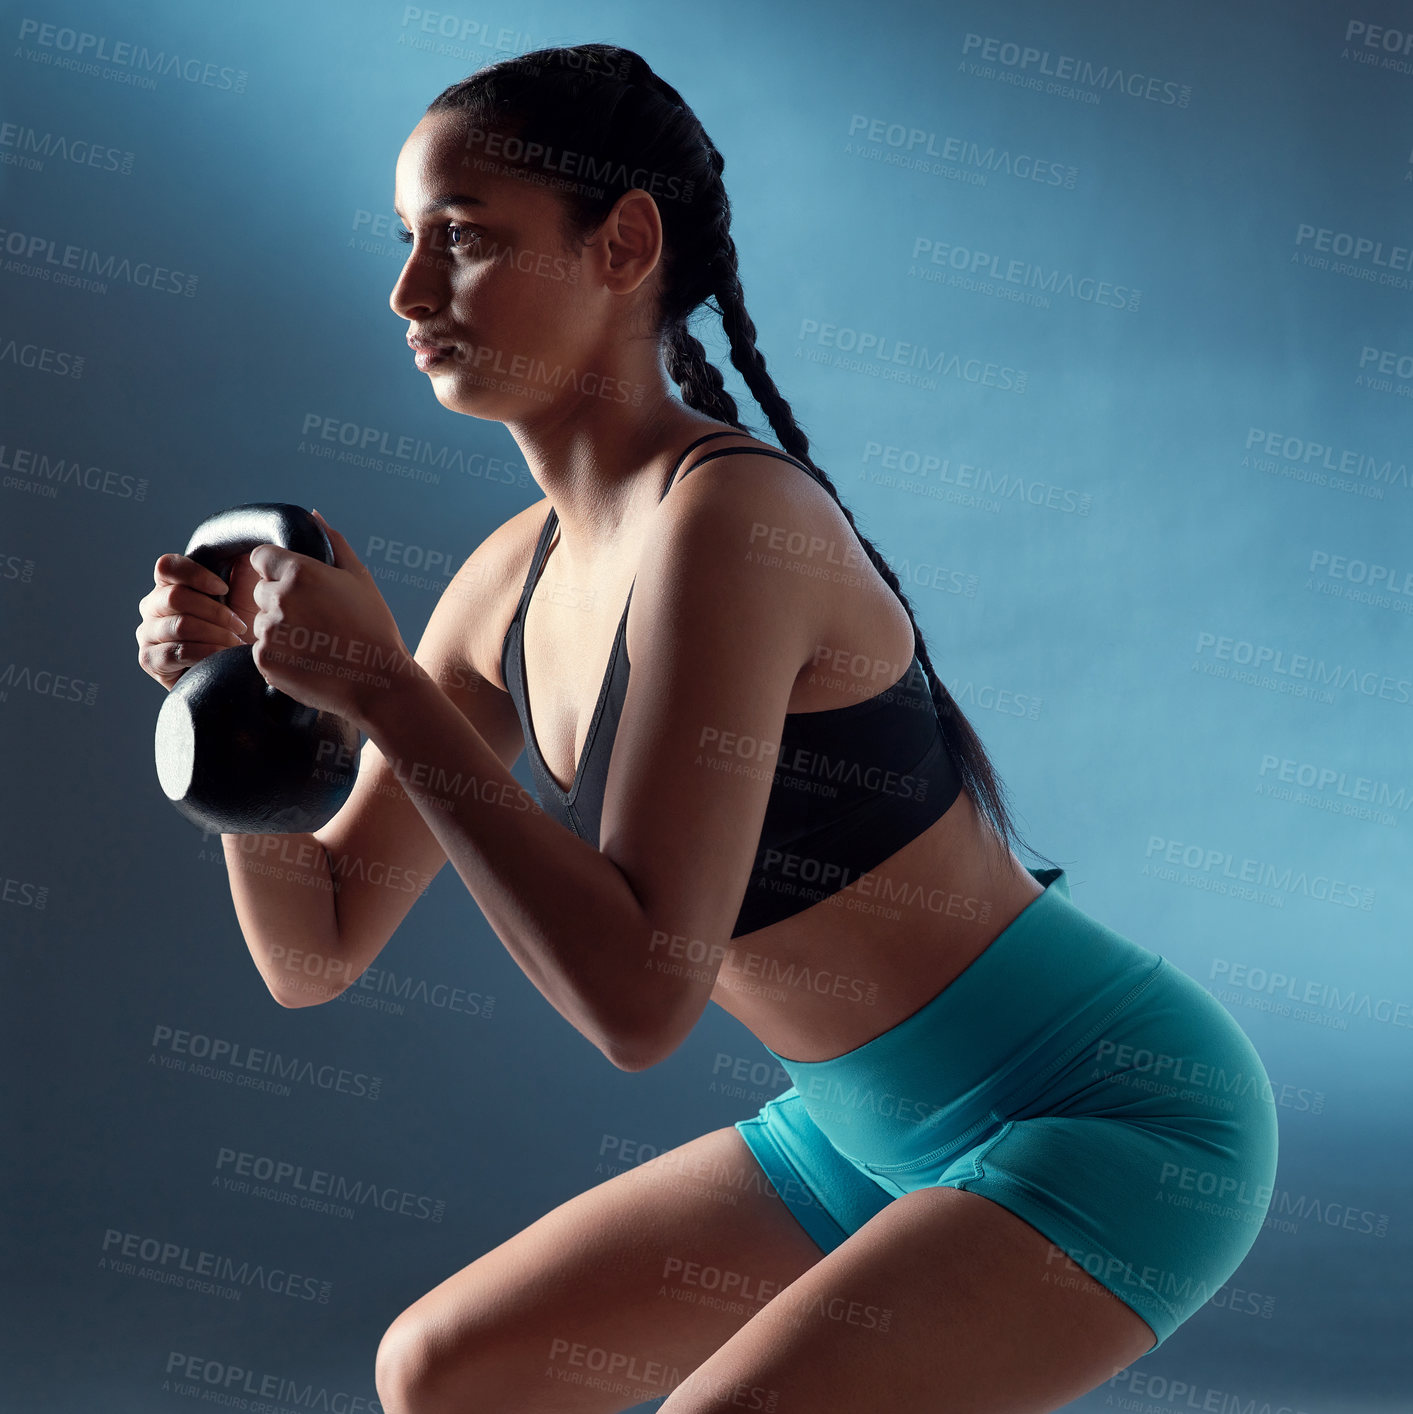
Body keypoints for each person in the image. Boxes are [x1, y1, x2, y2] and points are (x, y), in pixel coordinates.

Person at [135, 43, 1278, 1414]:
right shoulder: (508, 579)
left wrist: (384, 689)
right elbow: (315, 943)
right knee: (441, 1371)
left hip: (1106, 1119)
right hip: (854, 1137)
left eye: (467, 240)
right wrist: (241, 717)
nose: (408, 292)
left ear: (622, 244)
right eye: (405, 244)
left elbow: (637, 1001)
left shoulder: (731, 521)